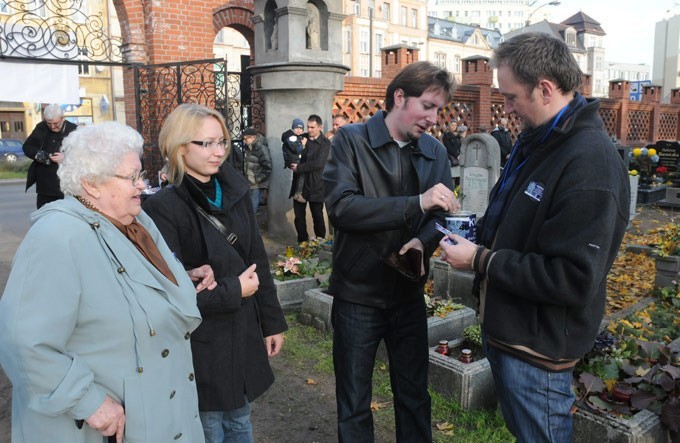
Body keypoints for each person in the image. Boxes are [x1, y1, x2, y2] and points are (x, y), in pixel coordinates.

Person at [437, 32, 630, 443]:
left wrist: (480, 260)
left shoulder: (589, 163)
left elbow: (572, 277)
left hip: (539, 351)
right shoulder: (539, 142)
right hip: (512, 333)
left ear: (544, 89)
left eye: (510, 96)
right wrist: (475, 233)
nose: (505, 108)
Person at [0, 121, 214, 443]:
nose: (142, 186)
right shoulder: (56, 238)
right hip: (102, 428)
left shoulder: (135, 220)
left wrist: (177, 278)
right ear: (91, 184)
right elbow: (23, 342)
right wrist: (87, 401)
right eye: (132, 177)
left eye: (141, 175)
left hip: (161, 414)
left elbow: (119, 281)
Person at [323, 61, 458, 442]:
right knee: (353, 402)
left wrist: (423, 241)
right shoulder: (351, 140)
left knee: (415, 397)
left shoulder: (434, 152)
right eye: (427, 106)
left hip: (408, 294)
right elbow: (342, 208)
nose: (433, 118)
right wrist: (416, 202)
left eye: (438, 109)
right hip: (358, 295)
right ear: (399, 97)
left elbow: (440, 216)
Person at [142, 103, 288, 443]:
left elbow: (256, 260)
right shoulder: (162, 208)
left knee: (240, 419)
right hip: (201, 340)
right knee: (208, 426)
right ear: (179, 147)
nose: (218, 151)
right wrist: (233, 289)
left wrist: (272, 322)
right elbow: (168, 293)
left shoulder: (236, 189)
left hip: (244, 328)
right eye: (205, 143)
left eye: (221, 141)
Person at [22, 103, 78, 208]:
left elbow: (82, 155)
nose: (52, 127)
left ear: (62, 118)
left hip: (65, 187)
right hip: (44, 186)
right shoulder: (41, 127)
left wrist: (65, 158)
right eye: (49, 123)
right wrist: (38, 154)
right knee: (44, 217)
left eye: (56, 124)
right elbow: (27, 146)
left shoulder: (73, 130)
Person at [290, 114, 330, 243]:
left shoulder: (325, 143)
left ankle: (321, 243)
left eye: (312, 127)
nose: (309, 130)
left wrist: (299, 168)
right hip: (300, 185)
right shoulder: (303, 138)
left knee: (317, 217)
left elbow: (318, 164)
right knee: (299, 218)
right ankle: (302, 243)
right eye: (308, 127)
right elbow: (287, 139)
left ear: (320, 127)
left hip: (316, 185)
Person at [241, 127, 272, 213]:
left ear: (252, 137)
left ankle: (251, 226)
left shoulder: (261, 148)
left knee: (252, 208)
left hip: (257, 184)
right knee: (250, 207)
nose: (244, 141)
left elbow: (268, 167)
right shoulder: (249, 148)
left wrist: (257, 179)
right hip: (251, 182)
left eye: (245, 139)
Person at [281, 118, 306, 203]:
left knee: (298, 176)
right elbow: (296, 149)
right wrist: (303, 144)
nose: (299, 130)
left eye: (301, 128)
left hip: (294, 159)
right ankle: (298, 193)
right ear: (293, 128)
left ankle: (296, 192)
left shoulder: (295, 137)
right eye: (297, 128)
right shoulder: (291, 137)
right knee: (302, 172)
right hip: (293, 160)